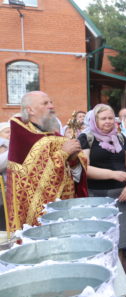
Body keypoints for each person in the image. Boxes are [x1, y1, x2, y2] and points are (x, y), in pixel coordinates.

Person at [5, 91, 87, 233]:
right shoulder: (23, 137)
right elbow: (35, 179)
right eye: (45, 103)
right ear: (29, 110)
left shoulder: (53, 135)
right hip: (36, 214)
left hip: (64, 206)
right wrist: (63, 153)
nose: (51, 106)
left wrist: (73, 159)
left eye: (51, 102)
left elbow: (72, 172)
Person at [78, 104, 126, 273]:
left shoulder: (120, 138)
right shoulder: (86, 138)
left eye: (111, 118)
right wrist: (112, 174)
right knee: (101, 233)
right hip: (96, 194)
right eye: (103, 118)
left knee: (122, 231)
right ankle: (103, 268)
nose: (108, 122)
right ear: (95, 120)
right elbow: (85, 169)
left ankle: (119, 267)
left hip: (121, 193)